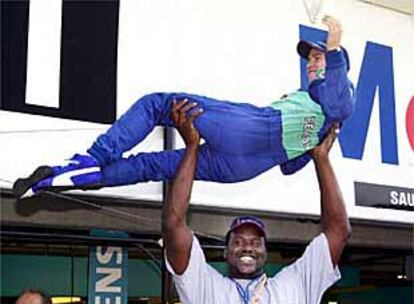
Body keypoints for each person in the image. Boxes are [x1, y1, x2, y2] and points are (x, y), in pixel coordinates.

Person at [13, 16, 354, 199]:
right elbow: (289, 168)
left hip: (251, 129)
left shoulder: (331, 93)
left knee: (158, 104)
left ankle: (91, 160)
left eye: (318, 56)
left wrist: (335, 42)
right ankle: (61, 180)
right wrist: (317, 146)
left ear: (336, 64)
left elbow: (340, 97)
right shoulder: (323, 117)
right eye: (310, 58)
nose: (311, 63)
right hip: (244, 168)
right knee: (152, 167)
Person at [161, 98, 351, 304]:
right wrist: (192, 148)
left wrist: (321, 159)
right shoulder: (206, 290)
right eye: (238, 242)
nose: (247, 248)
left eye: (255, 242)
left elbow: (338, 231)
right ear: (225, 252)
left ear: (266, 251)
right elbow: (173, 224)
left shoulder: (295, 285)